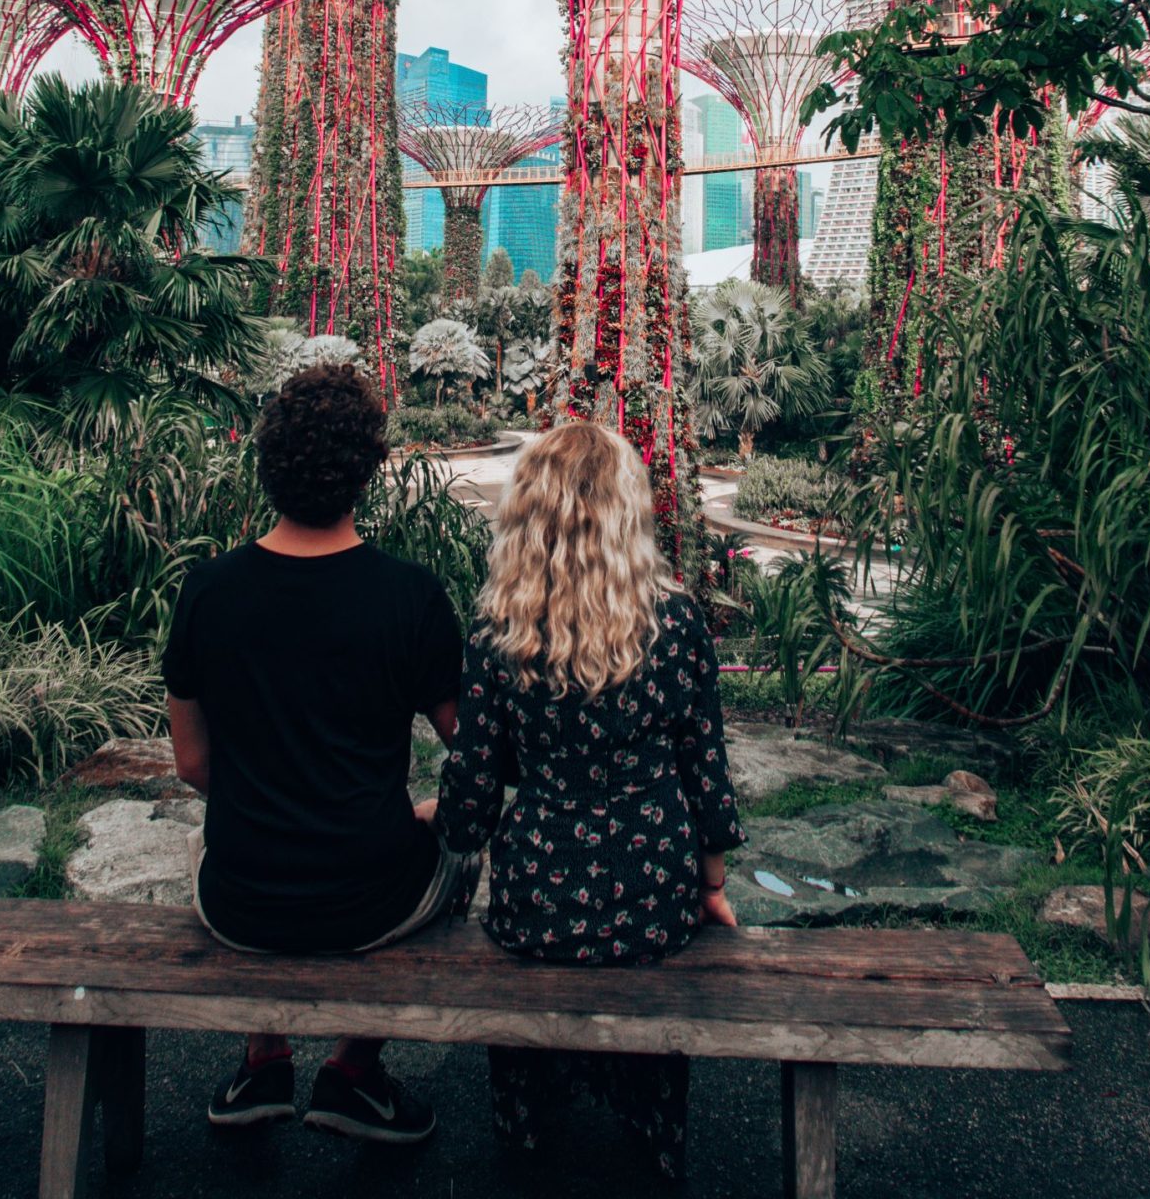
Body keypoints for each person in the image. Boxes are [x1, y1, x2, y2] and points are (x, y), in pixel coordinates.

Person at [164, 361, 473, 1143]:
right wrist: (425, 813)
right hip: (374, 897)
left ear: (267, 464)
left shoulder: (208, 589)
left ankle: (265, 1058)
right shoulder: (410, 596)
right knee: (463, 850)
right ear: (367, 469)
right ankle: (353, 1072)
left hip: (240, 901)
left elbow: (193, 767)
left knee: (210, 840)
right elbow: (473, 752)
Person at [435, 419, 744, 1180]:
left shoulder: (498, 633)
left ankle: (526, 1126)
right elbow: (706, 774)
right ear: (625, 512)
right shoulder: (676, 626)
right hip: (654, 901)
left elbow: (471, 803)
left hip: (536, 900)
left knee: (523, 942)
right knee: (656, 956)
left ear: (526, 513)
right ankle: (655, 1127)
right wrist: (710, 889)